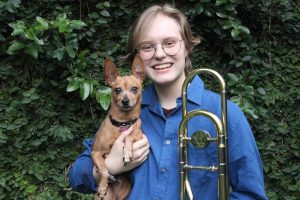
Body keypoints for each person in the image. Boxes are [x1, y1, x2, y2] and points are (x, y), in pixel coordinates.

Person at [69, 4, 268, 200]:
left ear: (187, 46)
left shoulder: (224, 113)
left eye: (170, 43)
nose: (159, 54)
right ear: (138, 58)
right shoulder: (124, 113)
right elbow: (77, 175)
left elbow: (250, 194)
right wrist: (108, 167)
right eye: (147, 47)